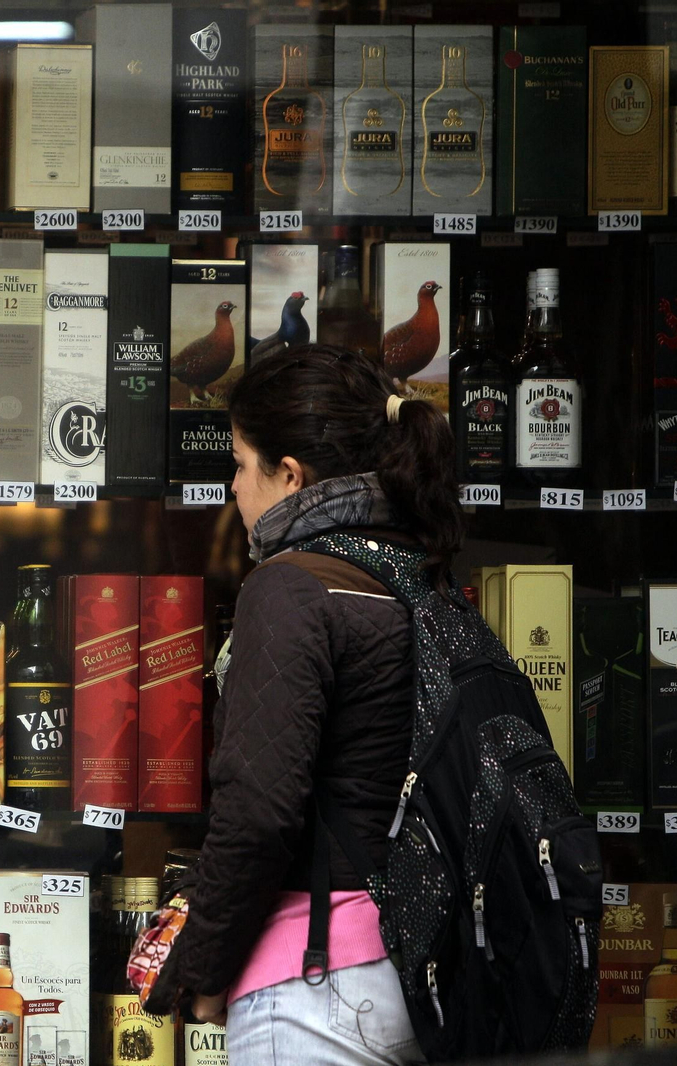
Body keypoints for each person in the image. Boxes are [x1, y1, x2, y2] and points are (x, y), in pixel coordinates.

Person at [172, 345, 465, 1065]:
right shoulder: (414, 577)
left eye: (240, 466)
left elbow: (258, 811)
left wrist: (204, 974)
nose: (234, 489)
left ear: (291, 476)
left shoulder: (290, 587)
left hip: (317, 985)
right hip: (421, 976)